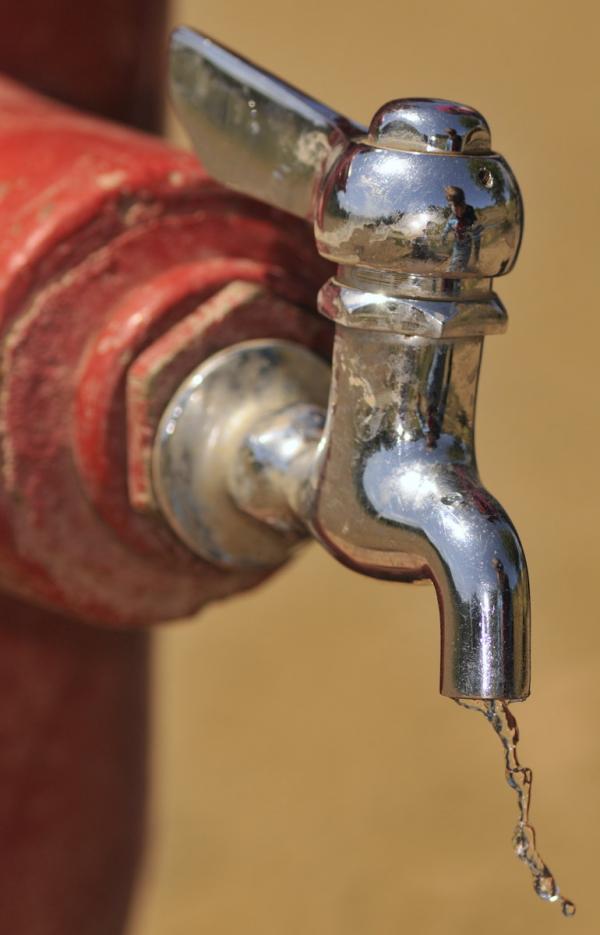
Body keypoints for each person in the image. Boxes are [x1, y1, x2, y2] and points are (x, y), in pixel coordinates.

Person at [442, 185, 481, 272]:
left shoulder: (469, 213)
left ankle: (459, 273)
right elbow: (448, 225)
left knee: (458, 267)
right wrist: (444, 235)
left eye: (461, 207)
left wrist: (476, 254)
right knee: (453, 262)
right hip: (457, 244)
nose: (459, 211)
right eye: (455, 208)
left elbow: (477, 233)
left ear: (464, 204)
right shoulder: (452, 216)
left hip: (466, 245)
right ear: (451, 205)